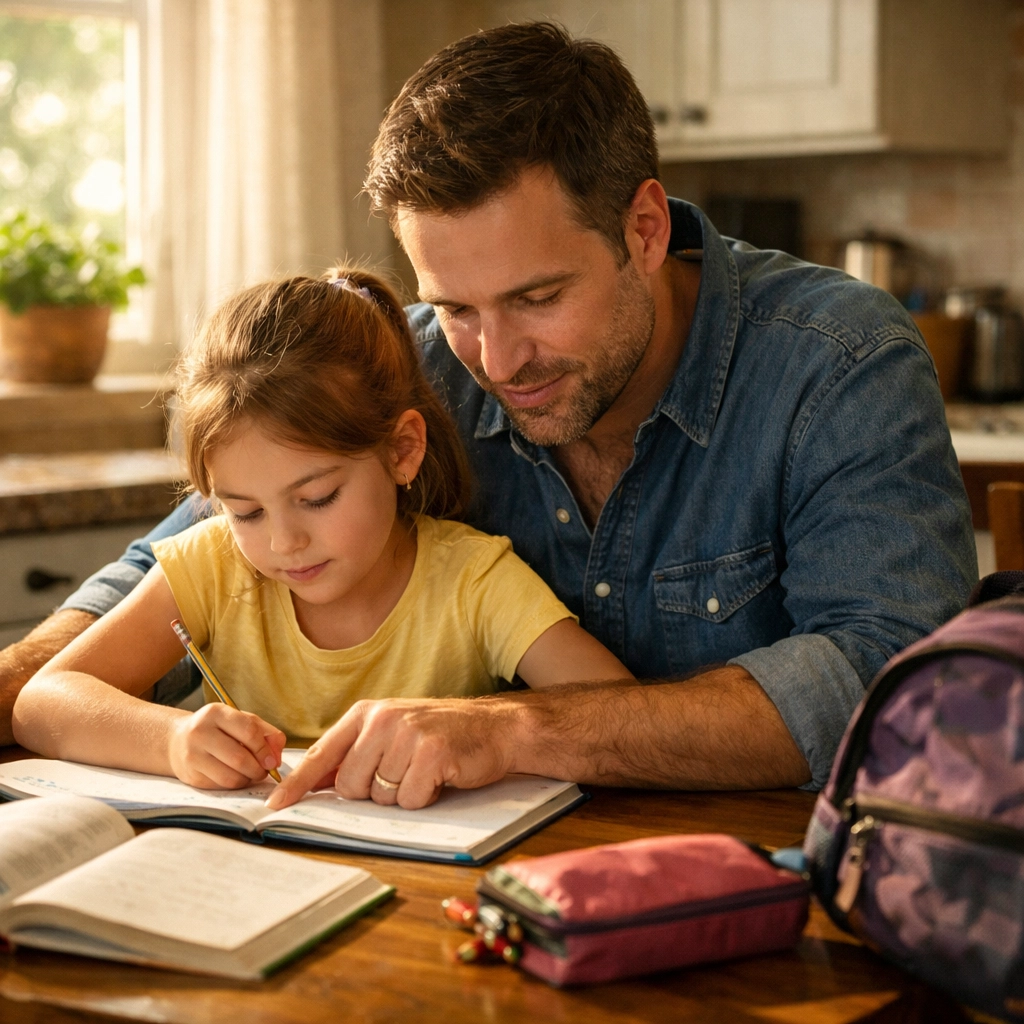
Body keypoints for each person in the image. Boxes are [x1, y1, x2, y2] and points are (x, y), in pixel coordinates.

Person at [1, 23, 975, 809]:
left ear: (642, 229)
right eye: (457, 307)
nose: (495, 360)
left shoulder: (837, 362)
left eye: (537, 298)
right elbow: (179, 552)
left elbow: (892, 684)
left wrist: (512, 729)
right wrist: (27, 686)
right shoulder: (414, 363)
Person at [11, 269, 631, 794]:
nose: (282, 543)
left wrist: (488, 728)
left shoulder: (474, 580)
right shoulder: (212, 567)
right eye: (244, 511)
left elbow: (618, 713)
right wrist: (172, 739)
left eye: (316, 498)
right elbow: (42, 704)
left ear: (402, 451)